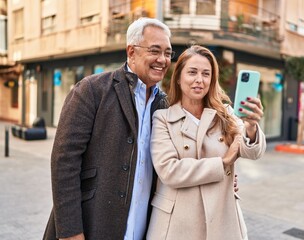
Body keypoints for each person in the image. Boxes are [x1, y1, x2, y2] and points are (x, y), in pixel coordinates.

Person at [43, 17, 173, 240]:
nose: (162, 59)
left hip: (142, 229)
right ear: (131, 52)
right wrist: (70, 233)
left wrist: (223, 180)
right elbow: (64, 163)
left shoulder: (165, 105)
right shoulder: (91, 90)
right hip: (92, 226)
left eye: (168, 53)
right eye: (155, 50)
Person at [146, 45, 267, 240]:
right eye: (192, 72)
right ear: (178, 77)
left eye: (206, 74)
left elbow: (252, 153)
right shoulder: (163, 118)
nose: (199, 80)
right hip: (177, 223)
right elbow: (170, 171)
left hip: (221, 218)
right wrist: (223, 162)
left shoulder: (225, 113)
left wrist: (251, 126)